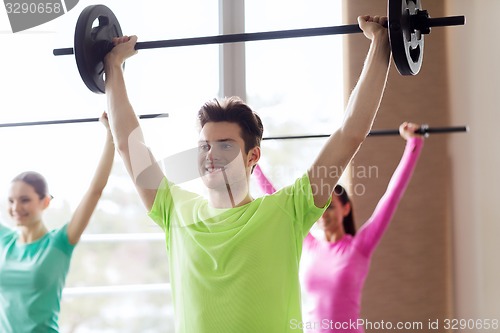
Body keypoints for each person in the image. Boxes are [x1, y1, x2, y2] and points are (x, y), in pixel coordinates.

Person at [103, 15, 390, 333]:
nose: (210, 156)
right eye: (204, 146)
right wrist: (114, 67)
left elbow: (350, 133)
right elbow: (130, 145)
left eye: (224, 146)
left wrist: (380, 44)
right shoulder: (174, 209)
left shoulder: (286, 211)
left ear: (253, 156)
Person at [255, 122, 425, 333]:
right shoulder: (309, 245)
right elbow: (276, 201)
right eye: (321, 208)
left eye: (331, 207)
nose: (324, 214)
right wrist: (254, 165)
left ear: (345, 209)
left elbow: (392, 194)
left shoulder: (359, 247)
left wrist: (413, 144)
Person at [0, 113, 115, 333]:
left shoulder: (59, 242)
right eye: (11, 201)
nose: (16, 208)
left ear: (44, 202)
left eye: (25, 200)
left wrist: (110, 134)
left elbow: (95, 191)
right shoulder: (5, 240)